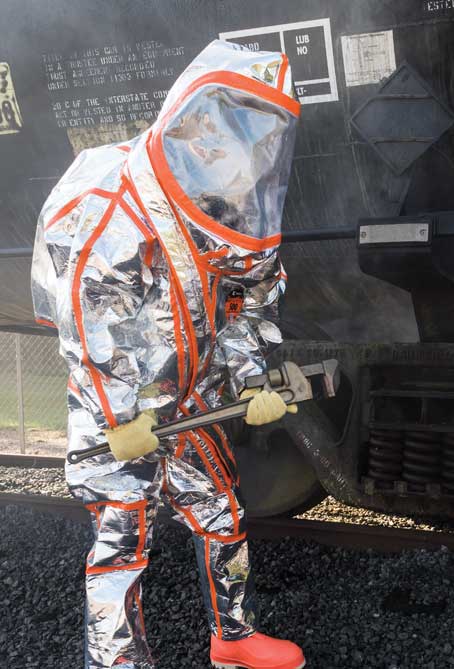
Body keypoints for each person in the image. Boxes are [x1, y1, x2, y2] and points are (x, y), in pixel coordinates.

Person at [31, 40, 306, 669]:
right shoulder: (106, 208)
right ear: (197, 126)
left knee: (223, 512)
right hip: (118, 416)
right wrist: (121, 416)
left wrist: (252, 380)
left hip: (190, 399)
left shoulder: (231, 208)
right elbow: (90, 322)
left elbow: (249, 300)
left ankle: (232, 639)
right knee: (120, 542)